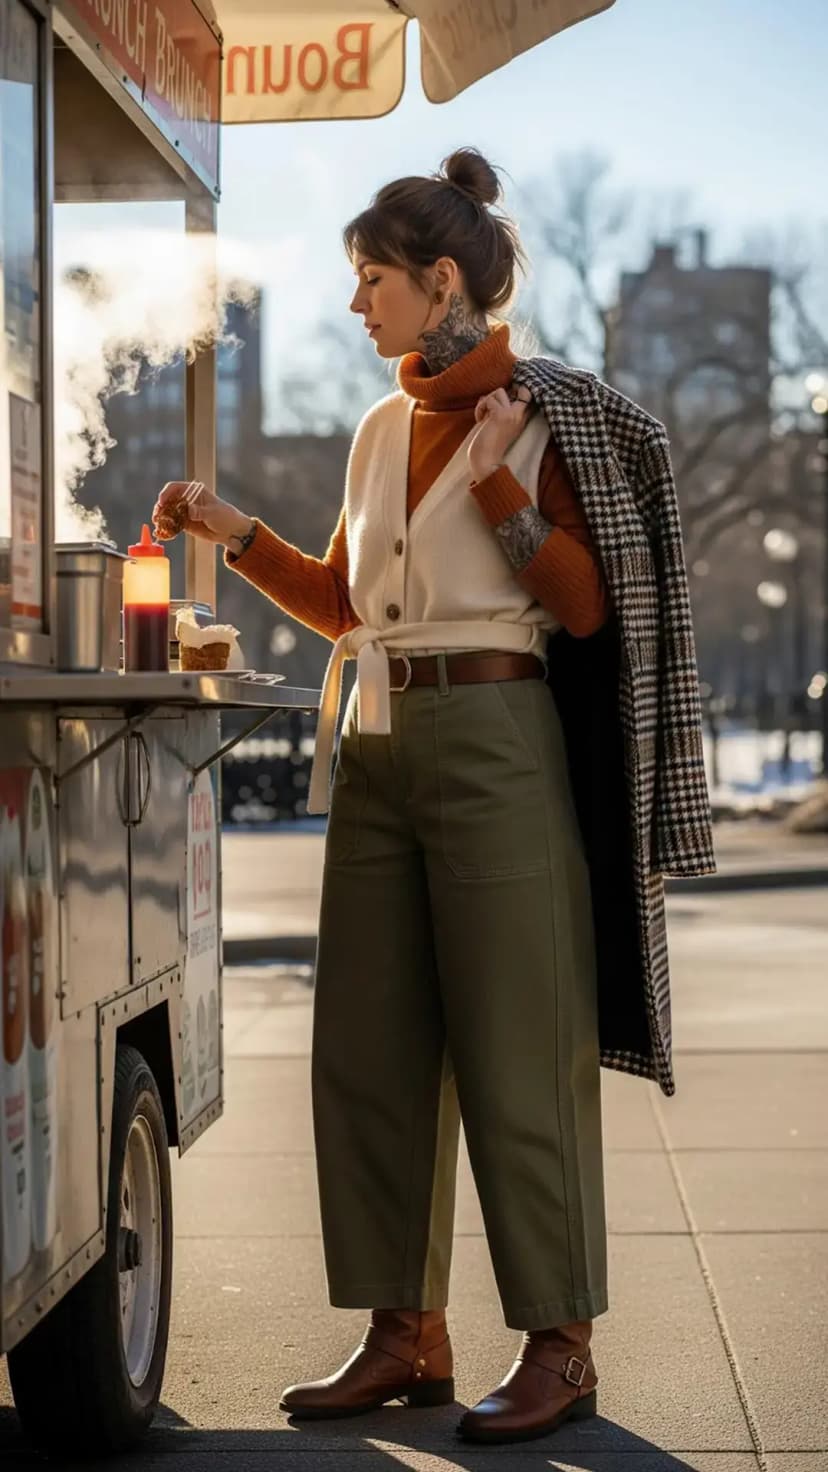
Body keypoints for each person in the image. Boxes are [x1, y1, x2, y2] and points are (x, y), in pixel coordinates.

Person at [154, 146, 713, 1446]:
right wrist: (233, 534)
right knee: (370, 1047)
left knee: (523, 1047)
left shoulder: (548, 413)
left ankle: (560, 1344)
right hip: (384, 744)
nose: (360, 307)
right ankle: (407, 1334)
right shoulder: (378, 429)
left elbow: (584, 607)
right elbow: (348, 605)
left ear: (441, 279)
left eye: (373, 282)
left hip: (504, 739)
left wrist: (512, 490)